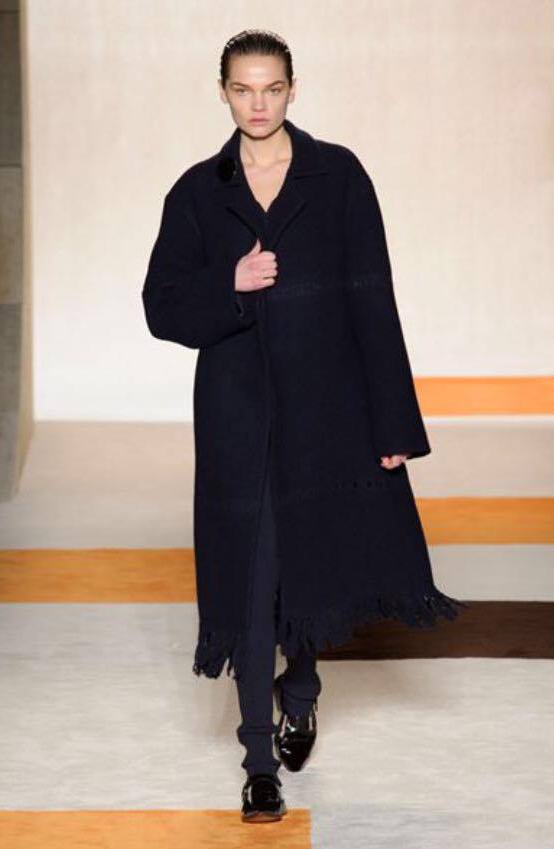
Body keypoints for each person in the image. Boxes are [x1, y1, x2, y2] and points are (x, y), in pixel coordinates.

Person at [141, 28, 469, 824]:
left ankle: (302, 682)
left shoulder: (337, 175)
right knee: (251, 581)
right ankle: (258, 761)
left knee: (308, 563)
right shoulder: (197, 191)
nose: (257, 104)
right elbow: (161, 307)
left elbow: (371, 296)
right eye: (242, 89)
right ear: (223, 91)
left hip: (327, 406)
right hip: (236, 416)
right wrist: (230, 282)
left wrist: (392, 421)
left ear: (292, 89)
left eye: (271, 88)